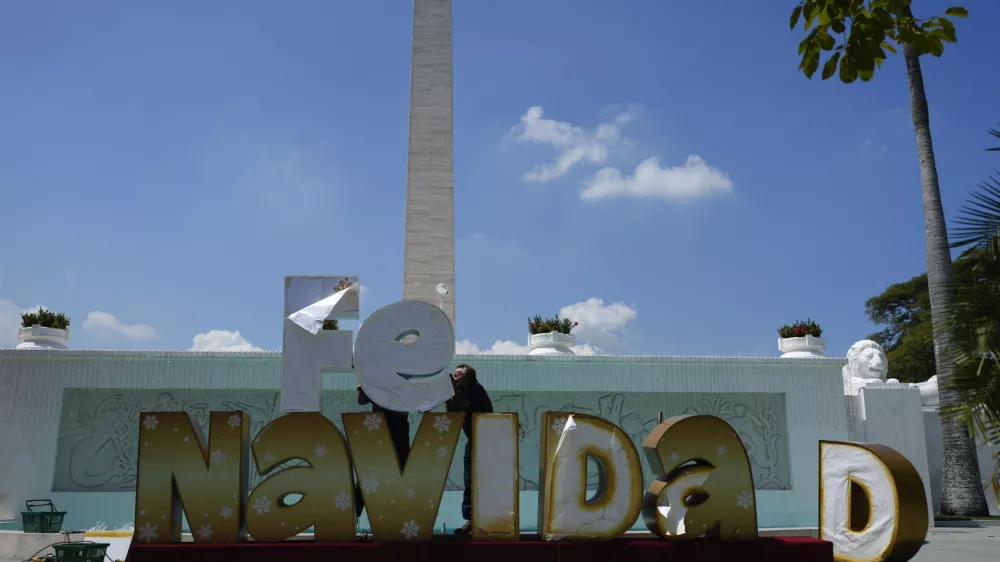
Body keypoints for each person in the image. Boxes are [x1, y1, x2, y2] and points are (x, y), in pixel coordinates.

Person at [446, 363, 493, 536]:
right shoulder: (463, 391)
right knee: (469, 481)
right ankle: (471, 520)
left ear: (469, 379)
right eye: (454, 376)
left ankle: (481, 521)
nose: (455, 379)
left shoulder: (475, 390)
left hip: (486, 442)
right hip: (473, 440)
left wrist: (449, 389)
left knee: (480, 482)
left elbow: (460, 404)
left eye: (458, 377)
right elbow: (452, 414)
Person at [354, 385, 411, 524]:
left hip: (397, 430)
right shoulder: (375, 379)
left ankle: (397, 519)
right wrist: (365, 385)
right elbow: (361, 400)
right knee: (369, 474)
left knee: (400, 474)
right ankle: (352, 513)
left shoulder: (403, 381)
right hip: (381, 429)